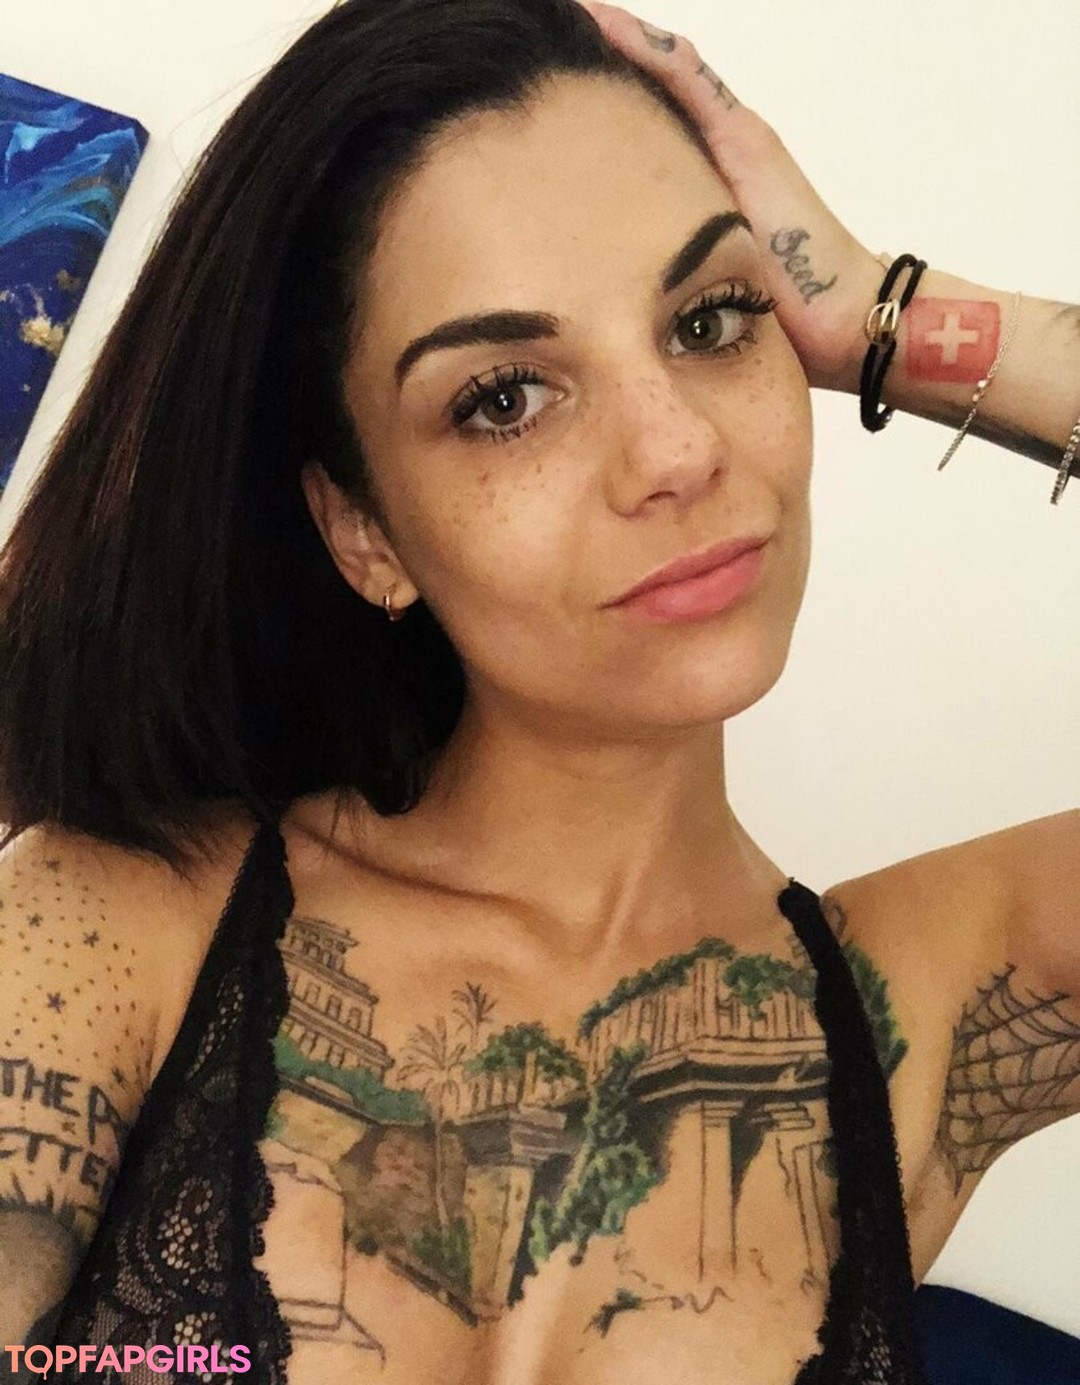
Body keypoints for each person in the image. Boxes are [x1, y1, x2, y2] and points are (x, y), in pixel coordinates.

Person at [0, 0, 1076, 1381]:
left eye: (713, 318)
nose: (677, 450)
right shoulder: (112, 922)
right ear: (364, 532)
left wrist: (879, 311)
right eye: (506, 397)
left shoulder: (909, 1011)